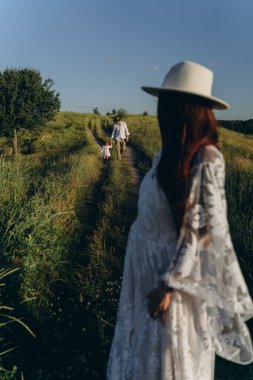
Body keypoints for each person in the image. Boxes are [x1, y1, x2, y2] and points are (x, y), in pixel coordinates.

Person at [107, 61, 253, 380]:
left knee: (170, 363)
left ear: (185, 110)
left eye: (168, 104)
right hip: (146, 277)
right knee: (145, 360)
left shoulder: (207, 159)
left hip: (170, 287)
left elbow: (204, 232)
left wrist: (170, 284)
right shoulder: (166, 153)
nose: (162, 111)